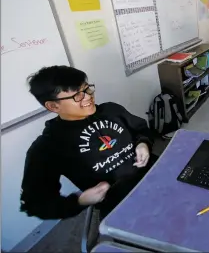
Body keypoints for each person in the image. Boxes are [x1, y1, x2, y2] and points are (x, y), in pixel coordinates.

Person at [19, 66, 156, 220]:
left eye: (87, 89)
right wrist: (80, 200)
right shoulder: (48, 147)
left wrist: (143, 143)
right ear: (53, 106)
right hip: (123, 199)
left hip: (155, 172)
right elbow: (35, 204)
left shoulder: (111, 110)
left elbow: (142, 129)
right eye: (77, 95)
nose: (87, 97)